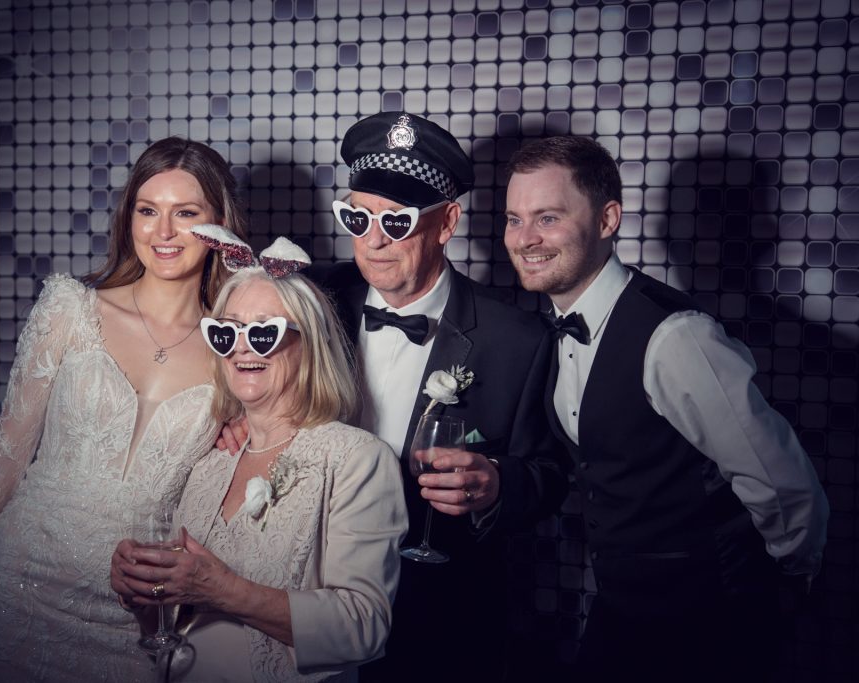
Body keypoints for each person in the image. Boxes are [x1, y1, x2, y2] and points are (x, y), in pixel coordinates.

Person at [504, 135, 830, 682]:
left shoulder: (677, 337)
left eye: (548, 217)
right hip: (622, 611)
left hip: (707, 624)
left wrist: (776, 599)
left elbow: (785, 488)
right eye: (514, 219)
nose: (525, 239)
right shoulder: (550, 329)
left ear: (608, 220)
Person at [0, 137, 248, 682]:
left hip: (132, 614)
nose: (163, 232)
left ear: (220, 223)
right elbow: (3, 457)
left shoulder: (236, 348)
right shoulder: (70, 308)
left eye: (187, 213)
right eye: (147, 211)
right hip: (18, 579)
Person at [312, 112, 568, 681]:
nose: (372, 240)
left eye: (397, 223)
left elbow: (553, 473)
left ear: (447, 221)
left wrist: (499, 483)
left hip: (434, 618)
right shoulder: (315, 298)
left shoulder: (517, 341)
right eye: (358, 217)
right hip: (304, 595)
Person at [111, 234, 408, 682]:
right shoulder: (209, 463)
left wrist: (221, 588)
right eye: (226, 332)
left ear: (310, 344)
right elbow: (171, 626)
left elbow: (363, 627)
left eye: (265, 333)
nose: (242, 348)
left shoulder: (357, 460)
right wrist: (143, 595)